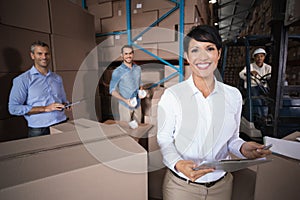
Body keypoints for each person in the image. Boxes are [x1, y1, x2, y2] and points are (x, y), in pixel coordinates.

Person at [157, 25, 272, 200]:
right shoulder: (173, 96)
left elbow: (232, 139)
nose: (203, 56)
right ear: (187, 57)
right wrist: (178, 163)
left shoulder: (233, 95)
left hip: (221, 186)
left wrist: (243, 148)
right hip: (182, 187)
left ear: (218, 53)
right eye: (195, 50)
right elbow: (164, 139)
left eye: (209, 48)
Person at [8, 41, 69, 137]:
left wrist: (66, 104)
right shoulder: (22, 80)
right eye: (40, 54)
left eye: (47, 54)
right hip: (40, 130)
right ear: (32, 56)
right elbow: (13, 108)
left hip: (62, 123)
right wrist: (45, 108)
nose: (44, 57)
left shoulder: (57, 78)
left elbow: (63, 100)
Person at [109, 45, 144, 123]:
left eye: (130, 53)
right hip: (125, 105)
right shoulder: (117, 71)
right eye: (126, 54)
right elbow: (112, 90)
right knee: (126, 129)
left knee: (137, 129)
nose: (128, 56)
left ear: (133, 54)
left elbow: (140, 83)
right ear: (122, 55)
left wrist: (141, 91)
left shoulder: (138, 69)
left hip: (137, 104)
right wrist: (125, 100)